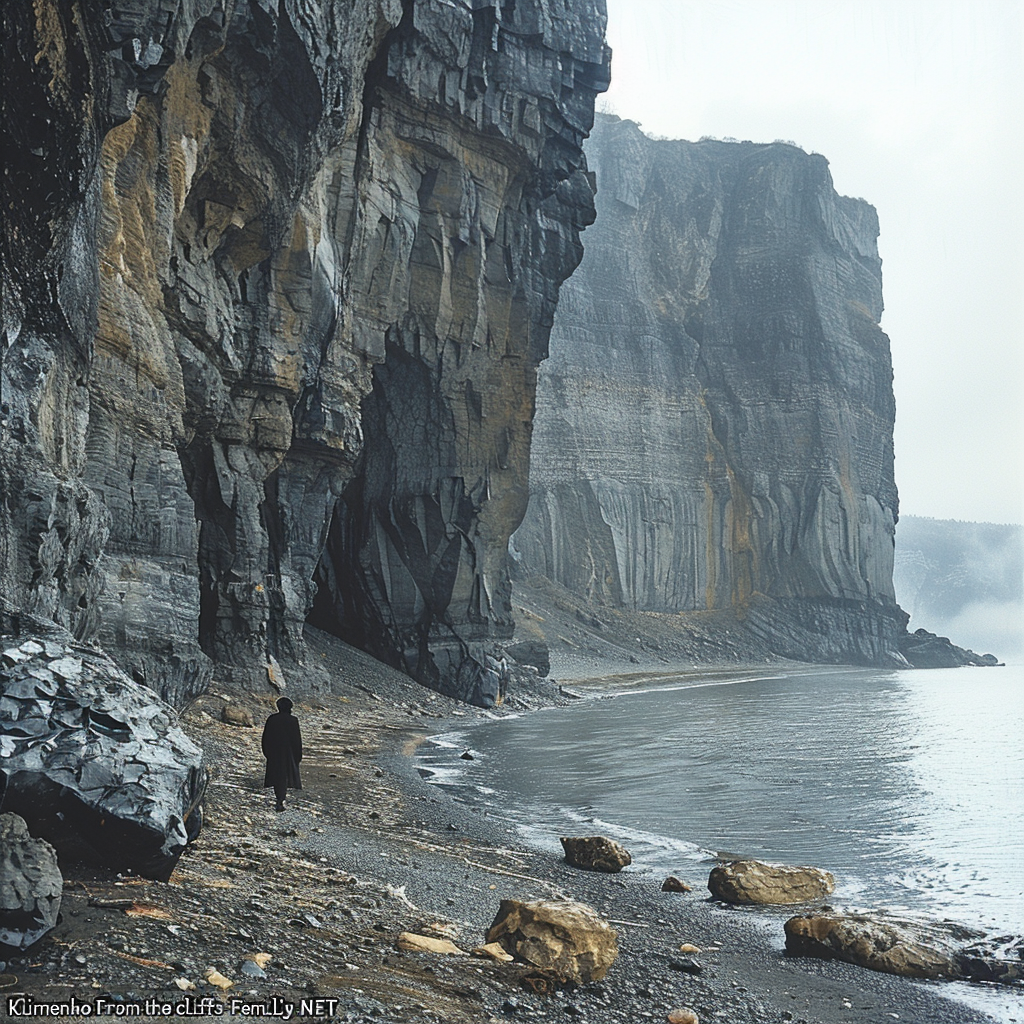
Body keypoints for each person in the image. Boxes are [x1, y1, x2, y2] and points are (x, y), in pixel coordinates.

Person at [261, 696, 302, 812]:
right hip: (288, 753)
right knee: (284, 776)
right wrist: (297, 756)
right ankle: (281, 799)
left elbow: (266, 738)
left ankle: (279, 798)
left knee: (276, 775)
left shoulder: (272, 719)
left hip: (274, 752)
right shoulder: (293, 720)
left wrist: (267, 752)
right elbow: (296, 740)